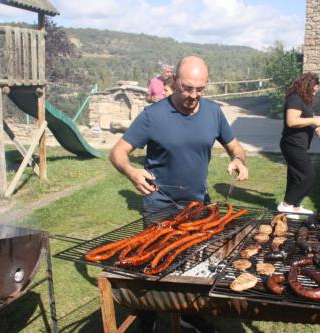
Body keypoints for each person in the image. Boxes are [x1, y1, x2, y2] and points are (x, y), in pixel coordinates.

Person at [110, 55, 248, 332]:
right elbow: (117, 152)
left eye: (200, 89)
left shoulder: (213, 112)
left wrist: (238, 159)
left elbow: (236, 147)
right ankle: (146, 318)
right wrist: (132, 172)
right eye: (187, 88)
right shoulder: (153, 116)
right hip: (160, 206)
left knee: (193, 267)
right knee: (152, 268)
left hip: (199, 208)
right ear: (173, 82)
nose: (193, 96)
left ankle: (191, 314)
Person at [277, 72, 320, 217]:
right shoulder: (295, 99)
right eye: (314, 88)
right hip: (292, 144)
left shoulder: (303, 100)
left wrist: (318, 122)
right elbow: (291, 121)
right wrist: (313, 120)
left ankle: (295, 207)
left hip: (298, 144)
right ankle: (286, 205)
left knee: (295, 176)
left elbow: (304, 120)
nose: (315, 91)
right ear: (307, 86)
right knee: (308, 175)